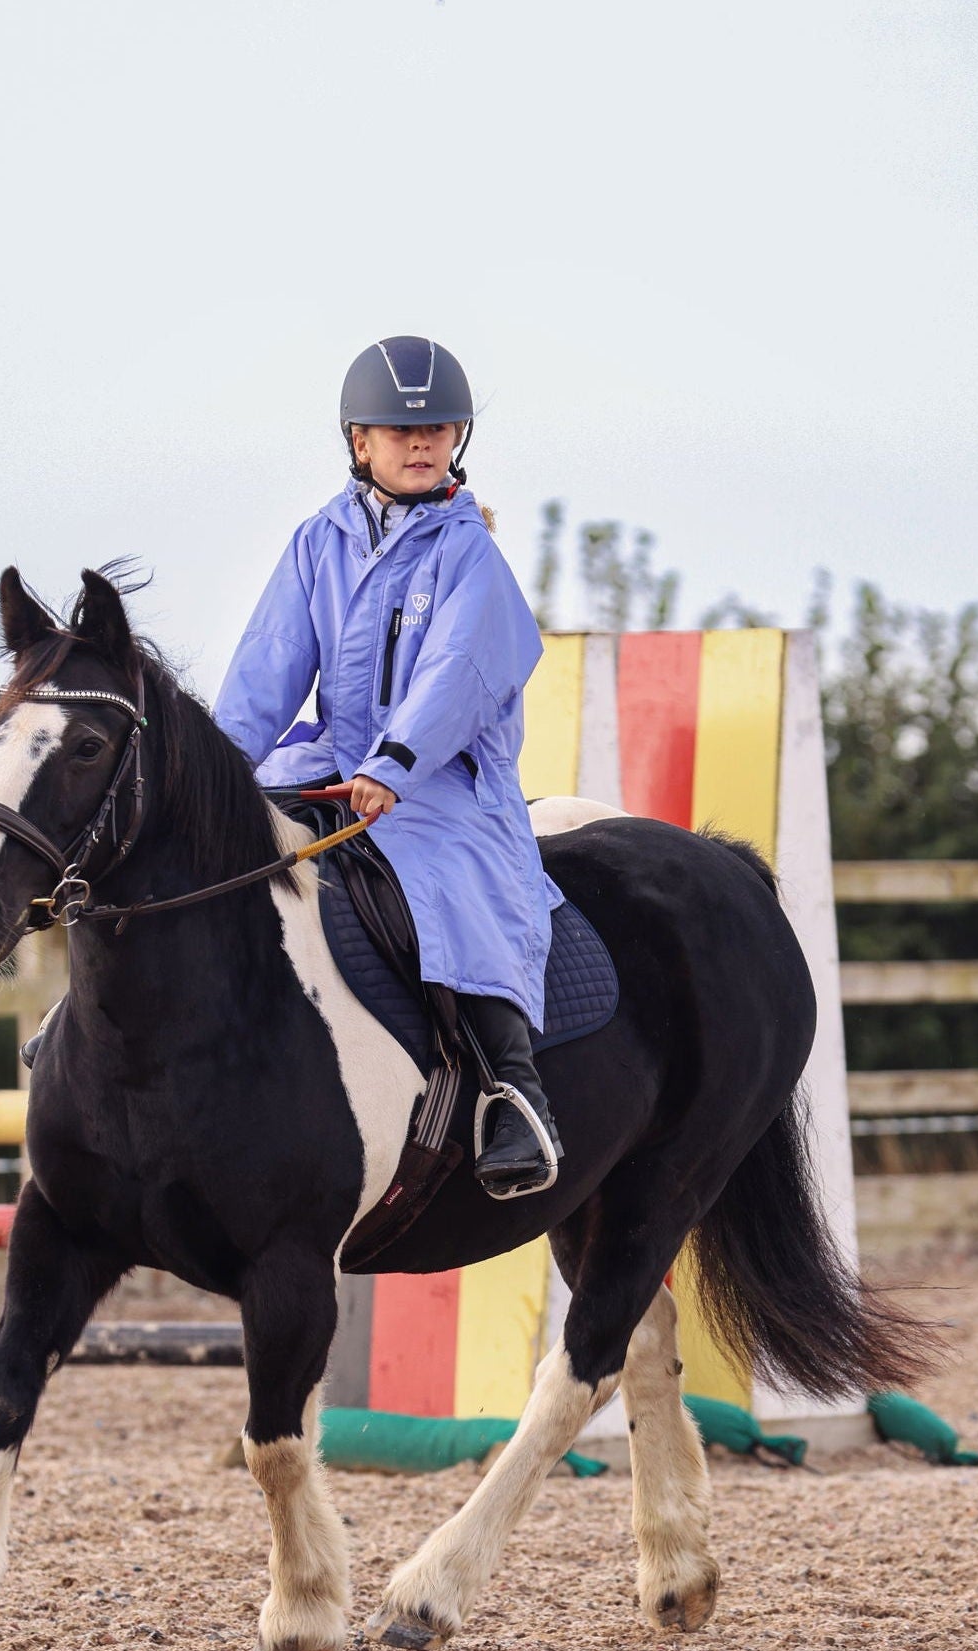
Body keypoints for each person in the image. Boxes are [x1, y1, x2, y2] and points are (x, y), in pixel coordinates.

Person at [214, 335, 562, 1197]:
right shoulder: (315, 542)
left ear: (458, 441)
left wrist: (398, 762)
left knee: (459, 885)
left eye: (438, 430)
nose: (420, 443)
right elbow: (270, 660)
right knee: (206, 843)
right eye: (398, 431)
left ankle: (512, 1091)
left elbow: (462, 671)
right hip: (335, 754)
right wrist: (215, 769)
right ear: (357, 442)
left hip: (440, 778)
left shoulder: (467, 551)